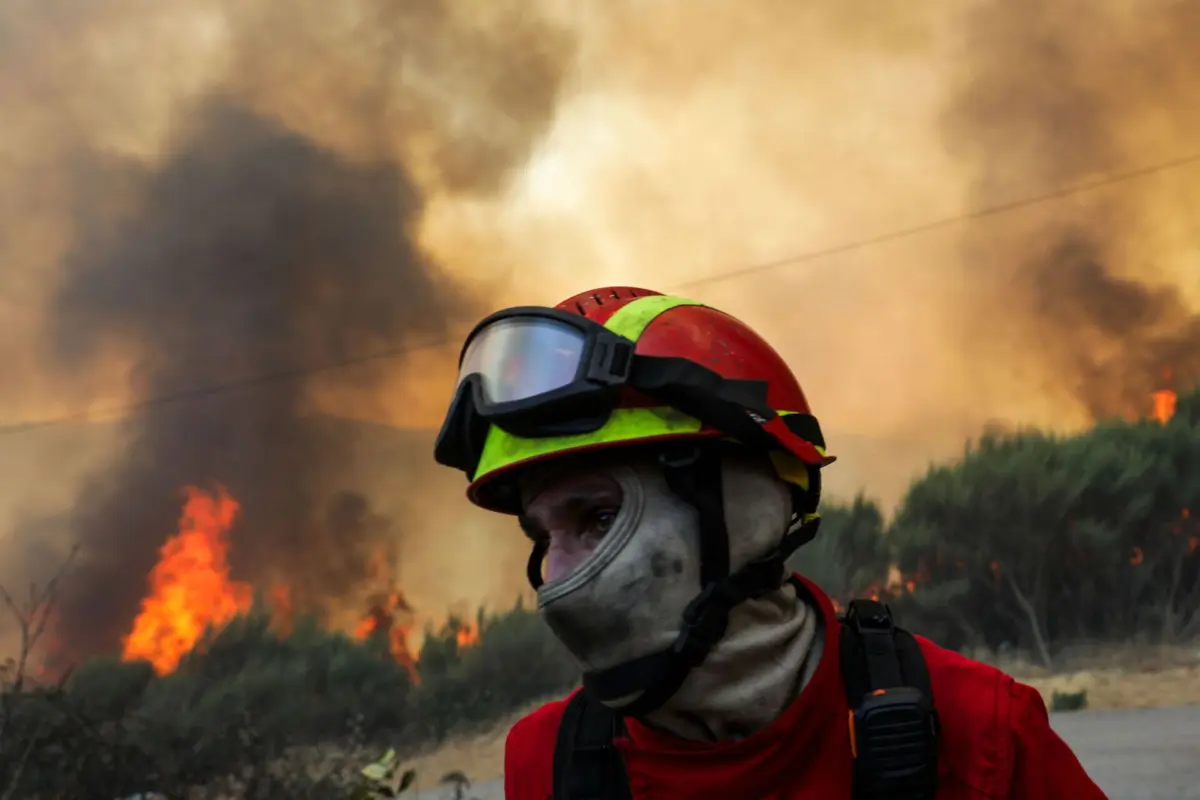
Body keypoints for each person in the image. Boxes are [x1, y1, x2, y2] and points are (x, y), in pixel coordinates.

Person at [433, 286, 1107, 799]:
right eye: (541, 535)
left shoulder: (977, 729)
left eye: (598, 518)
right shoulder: (548, 763)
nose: (556, 577)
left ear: (743, 507)